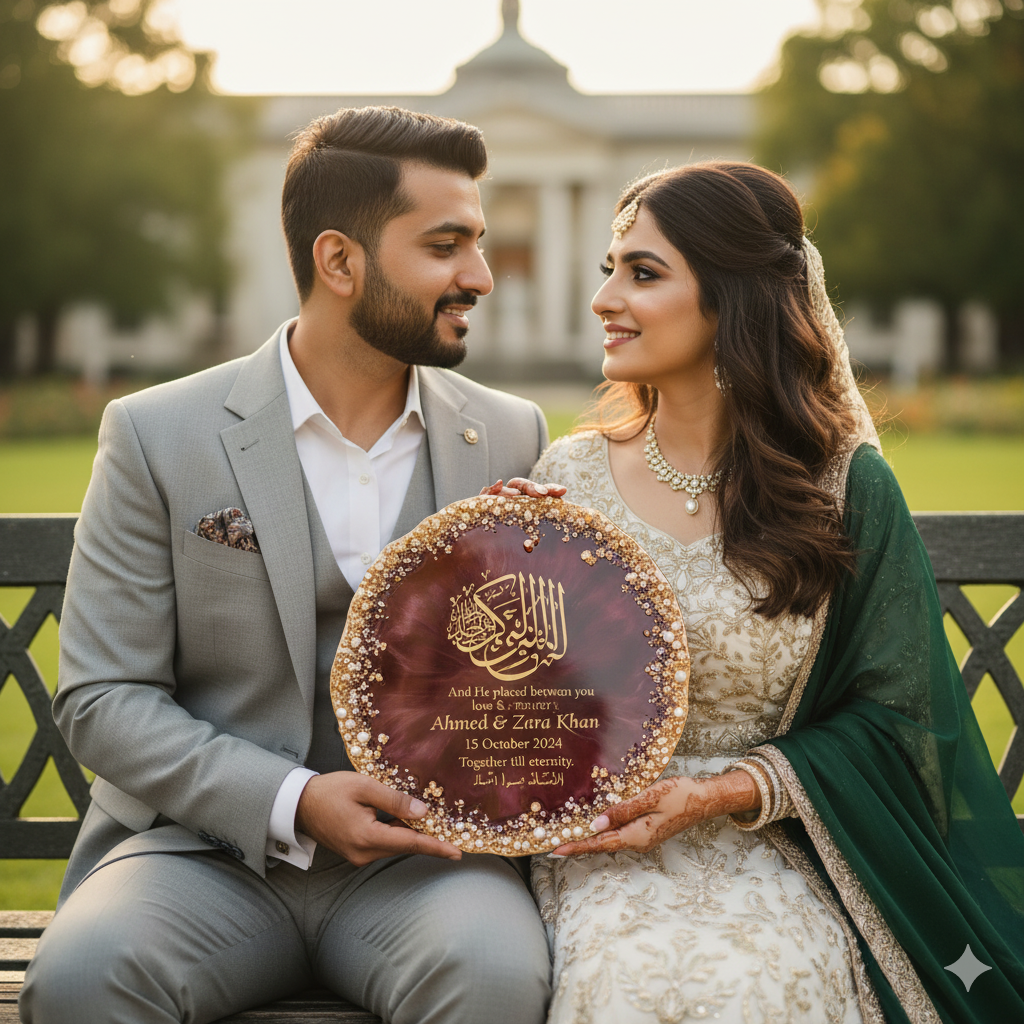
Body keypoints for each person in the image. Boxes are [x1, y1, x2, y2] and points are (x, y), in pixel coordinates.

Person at [21, 106, 559, 1024]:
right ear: (339, 261)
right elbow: (103, 699)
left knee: (496, 979)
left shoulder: (509, 433)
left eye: (476, 242)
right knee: (80, 982)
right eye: (445, 246)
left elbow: (538, 684)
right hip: (198, 858)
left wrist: (567, 597)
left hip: (425, 870)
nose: (480, 274)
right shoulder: (160, 434)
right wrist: (296, 800)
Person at [529, 161, 1024, 1023]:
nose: (606, 298)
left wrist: (724, 793)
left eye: (642, 273)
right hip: (599, 841)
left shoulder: (839, 486)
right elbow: (510, 695)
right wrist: (490, 561)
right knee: (626, 981)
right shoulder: (568, 478)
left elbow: (900, 717)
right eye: (609, 268)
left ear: (733, 297)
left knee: (760, 984)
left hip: (780, 839)